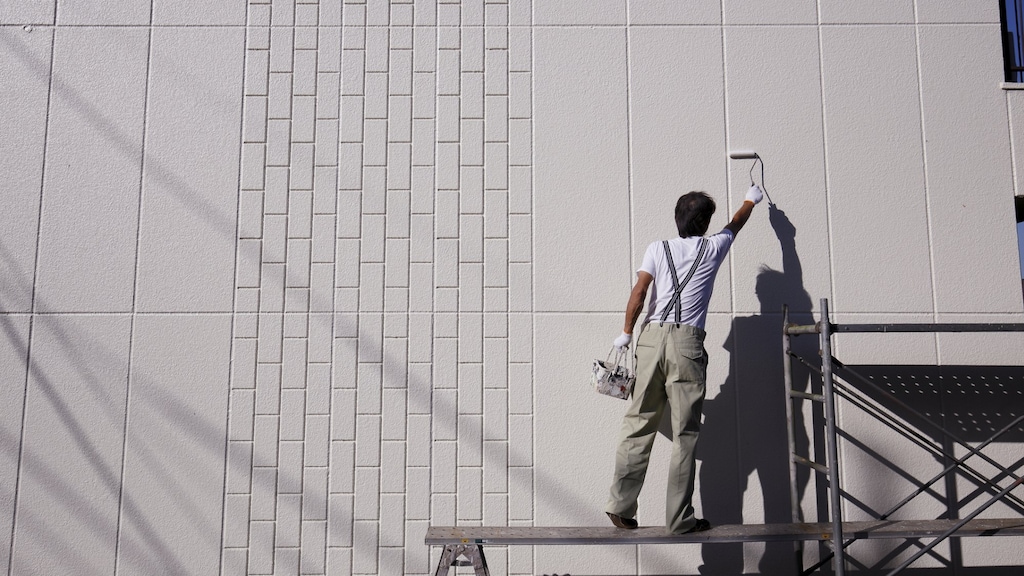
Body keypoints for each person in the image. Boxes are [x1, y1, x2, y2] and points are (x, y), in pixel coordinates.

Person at [605, 185, 763, 534]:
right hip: (687, 342)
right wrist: (751, 198)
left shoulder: (656, 249)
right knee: (685, 433)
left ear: (677, 219)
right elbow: (736, 222)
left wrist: (627, 331)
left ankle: (620, 505)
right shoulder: (713, 247)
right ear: (705, 222)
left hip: (649, 338)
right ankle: (679, 519)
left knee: (638, 421)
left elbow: (640, 292)